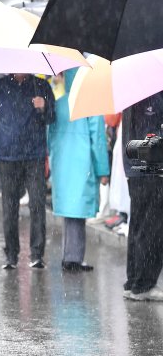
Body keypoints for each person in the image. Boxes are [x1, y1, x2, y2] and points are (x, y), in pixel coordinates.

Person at [0, 73, 55, 269]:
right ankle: (11, 255)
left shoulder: (41, 86)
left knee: (37, 205)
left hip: (34, 155)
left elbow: (52, 118)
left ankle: (37, 254)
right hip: (7, 155)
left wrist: (44, 106)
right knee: (9, 208)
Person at [47, 69, 110, 272]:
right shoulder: (91, 107)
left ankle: (69, 255)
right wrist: (103, 170)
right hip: (83, 167)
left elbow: (50, 137)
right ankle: (74, 258)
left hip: (63, 166)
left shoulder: (58, 104)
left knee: (70, 213)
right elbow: (98, 141)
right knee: (78, 214)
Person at [121, 92, 163, 301]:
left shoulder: (133, 93)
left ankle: (134, 281)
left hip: (138, 170)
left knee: (138, 225)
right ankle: (143, 284)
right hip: (150, 170)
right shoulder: (148, 95)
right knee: (152, 227)